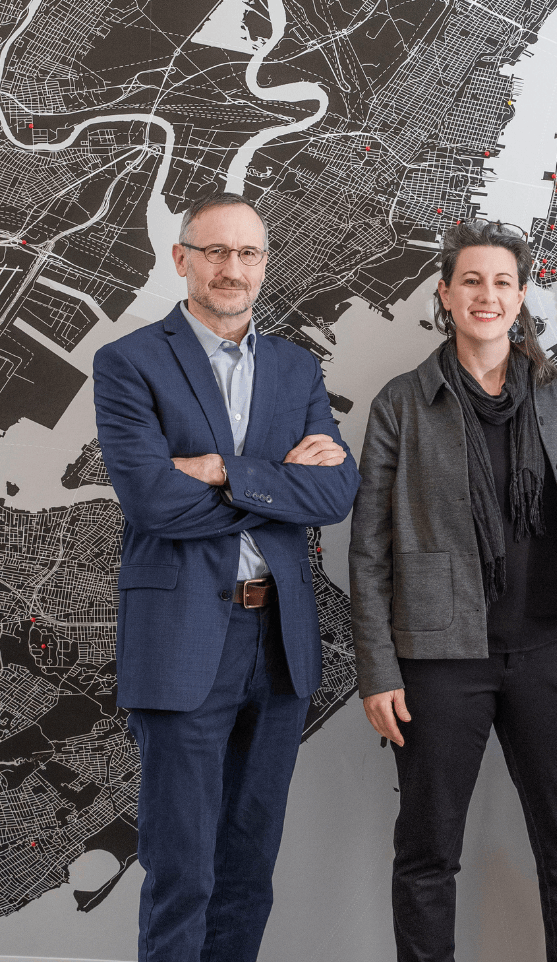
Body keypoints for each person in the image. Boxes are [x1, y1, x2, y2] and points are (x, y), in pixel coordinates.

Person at [93, 192, 360, 962]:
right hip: (181, 642)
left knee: (248, 869)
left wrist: (219, 472)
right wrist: (278, 486)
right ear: (181, 259)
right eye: (214, 252)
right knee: (183, 870)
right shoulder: (129, 362)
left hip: (276, 644)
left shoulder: (294, 367)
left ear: (265, 266)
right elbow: (152, 502)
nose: (231, 269)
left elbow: (336, 494)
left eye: (247, 254)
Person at [350, 220, 557, 962]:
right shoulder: (403, 403)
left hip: (554, 649)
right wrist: (378, 668)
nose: (487, 295)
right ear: (445, 293)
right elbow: (368, 549)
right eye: (471, 281)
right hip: (438, 660)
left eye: (502, 282)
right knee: (428, 856)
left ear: (522, 295)